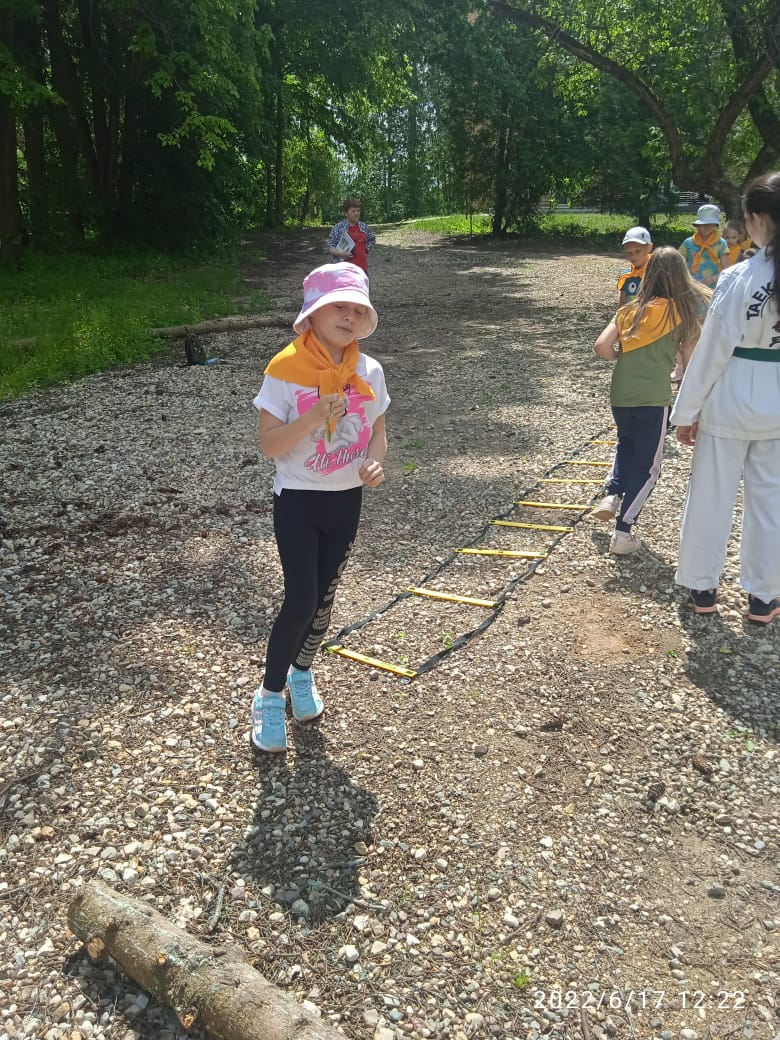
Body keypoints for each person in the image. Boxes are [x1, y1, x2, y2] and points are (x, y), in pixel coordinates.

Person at [250, 262, 390, 751]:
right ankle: (269, 695)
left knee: (325, 601)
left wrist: (374, 463)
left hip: (346, 500)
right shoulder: (284, 371)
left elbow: (378, 432)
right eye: (338, 307)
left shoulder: (369, 372)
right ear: (312, 314)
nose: (349, 317)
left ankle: (302, 672)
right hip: (297, 499)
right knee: (300, 601)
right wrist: (311, 418)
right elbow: (269, 445)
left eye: (357, 310)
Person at [672, 171, 780, 623]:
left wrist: (686, 410)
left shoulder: (739, 276)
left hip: (733, 393)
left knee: (712, 495)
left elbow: (713, 348)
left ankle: (703, 588)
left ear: (756, 219)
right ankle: (764, 596)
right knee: (771, 502)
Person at [592, 247, 711, 554]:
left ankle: (613, 494)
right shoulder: (682, 314)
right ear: (679, 276)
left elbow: (602, 346)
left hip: (620, 395)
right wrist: (692, 406)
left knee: (626, 444)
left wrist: (622, 358)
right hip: (653, 399)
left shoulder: (628, 310)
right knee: (648, 469)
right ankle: (623, 533)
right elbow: (691, 365)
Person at [679, 203, 728, 288]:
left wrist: (713, 279)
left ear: (715, 225)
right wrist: (686, 279)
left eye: (710, 223)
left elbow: (727, 270)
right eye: (703, 224)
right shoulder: (688, 243)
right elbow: (677, 264)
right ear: (698, 225)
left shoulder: (721, 243)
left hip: (711, 288)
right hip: (691, 287)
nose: (706, 226)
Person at [326, 198, 376, 273]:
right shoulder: (338, 228)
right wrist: (341, 254)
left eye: (358, 211)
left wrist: (365, 250)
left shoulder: (364, 226)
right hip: (344, 270)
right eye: (353, 211)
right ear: (346, 213)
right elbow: (330, 246)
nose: (356, 213)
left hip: (362, 269)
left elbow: (372, 239)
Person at [617, 226, 653, 306]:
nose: (633, 256)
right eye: (629, 252)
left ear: (649, 247)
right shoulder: (626, 275)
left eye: (637, 251)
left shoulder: (656, 274)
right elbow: (622, 302)